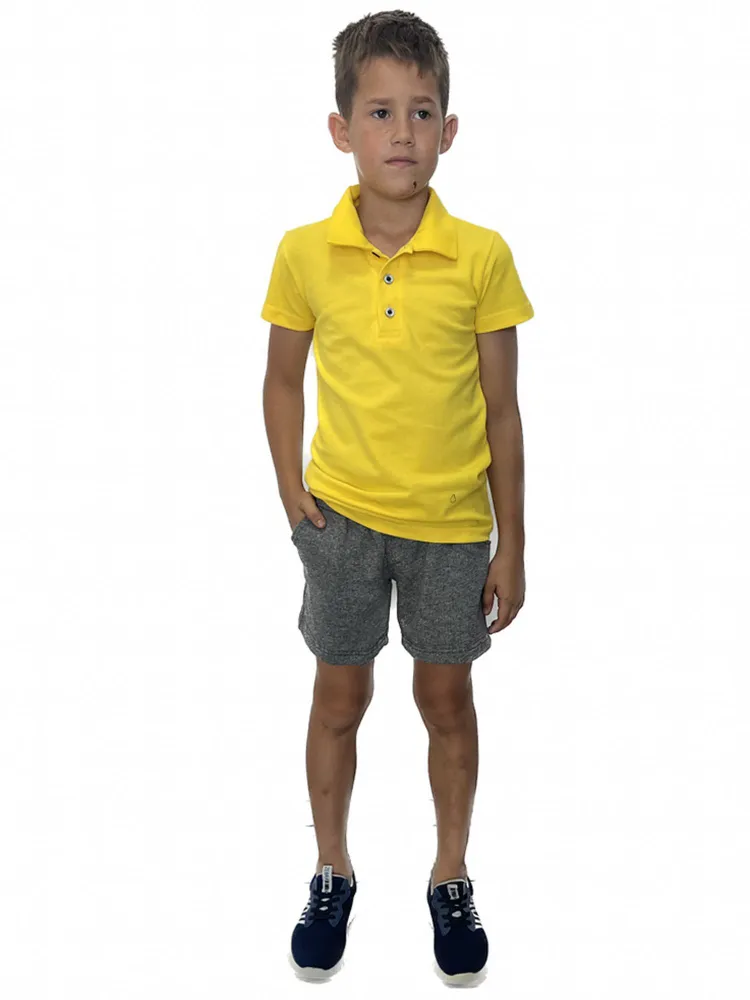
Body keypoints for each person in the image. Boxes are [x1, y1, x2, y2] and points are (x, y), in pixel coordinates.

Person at [261, 10, 534, 986]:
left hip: (453, 529)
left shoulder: (482, 255)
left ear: (449, 129)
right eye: (380, 112)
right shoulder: (303, 252)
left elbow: (502, 410)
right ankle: (331, 868)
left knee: (445, 699)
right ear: (342, 128)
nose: (403, 132)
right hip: (340, 521)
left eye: (422, 112)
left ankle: (450, 873)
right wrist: (291, 492)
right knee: (339, 696)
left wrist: (512, 544)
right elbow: (282, 380)